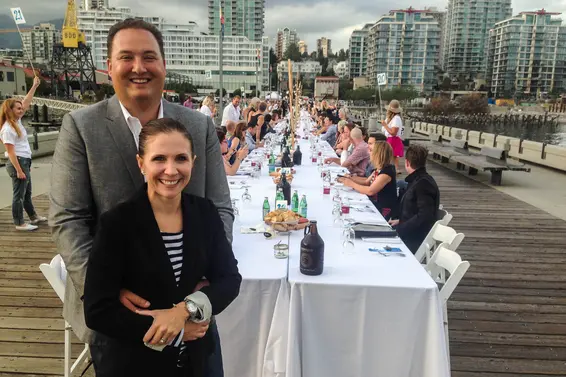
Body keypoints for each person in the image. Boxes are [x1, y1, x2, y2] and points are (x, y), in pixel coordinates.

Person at [49, 18, 232, 377]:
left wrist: (206, 279)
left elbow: (221, 207)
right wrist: (105, 288)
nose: (138, 67)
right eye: (126, 57)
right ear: (109, 67)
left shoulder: (198, 126)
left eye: (149, 57)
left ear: (164, 65)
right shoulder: (80, 127)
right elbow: (67, 219)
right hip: (120, 323)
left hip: (188, 312)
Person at [84, 119, 242, 376]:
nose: (171, 170)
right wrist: (175, 333)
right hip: (136, 364)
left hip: (198, 361)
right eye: (159, 159)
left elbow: (229, 279)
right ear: (141, 163)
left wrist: (184, 310)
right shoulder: (117, 223)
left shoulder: (205, 213)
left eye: (180, 158)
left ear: (193, 161)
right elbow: (98, 310)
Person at [0, 77, 47, 231]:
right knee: (19, 195)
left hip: (24, 161)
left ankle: (33, 216)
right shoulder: (8, 129)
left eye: (21, 108)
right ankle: (19, 222)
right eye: (18, 108)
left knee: (27, 193)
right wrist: (19, 170)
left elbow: (26, 101)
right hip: (18, 162)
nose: (22, 110)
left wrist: (34, 85)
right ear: (10, 110)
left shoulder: (17, 122)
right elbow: (11, 152)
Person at [389, 145, 440, 253]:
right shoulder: (419, 180)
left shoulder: (423, 184)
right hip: (408, 232)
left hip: (414, 240)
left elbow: (425, 216)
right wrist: (400, 221)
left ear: (407, 162)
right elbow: (415, 211)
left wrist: (400, 229)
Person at [339, 141, 398, 219]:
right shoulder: (379, 168)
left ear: (378, 154)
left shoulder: (386, 173)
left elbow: (370, 191)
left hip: (383, 210)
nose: (368, 152)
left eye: (371, 150)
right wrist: (349, 178)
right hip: (375, 203)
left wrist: (351, 184)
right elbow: (367, 181)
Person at [381, 99, 405, 174]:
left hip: (393, 139)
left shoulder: (396, 119)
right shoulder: (390, 118)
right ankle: (395, 169)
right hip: (389, 138)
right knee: (393, 155)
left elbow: (393, 133)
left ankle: (392, 169)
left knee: (391, 154)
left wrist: (385, 125)